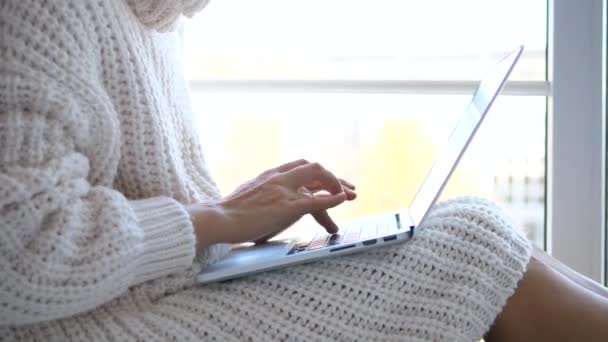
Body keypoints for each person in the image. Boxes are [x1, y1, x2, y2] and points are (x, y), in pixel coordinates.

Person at [0, 1, 607, 341]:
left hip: (151, 292)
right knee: (471, 244)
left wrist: (242, 207)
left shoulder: (159, 19)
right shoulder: (45, 12)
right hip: (82, 325)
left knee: (487, 235)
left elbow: (142, 201)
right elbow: (18, 252)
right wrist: (216, 218)